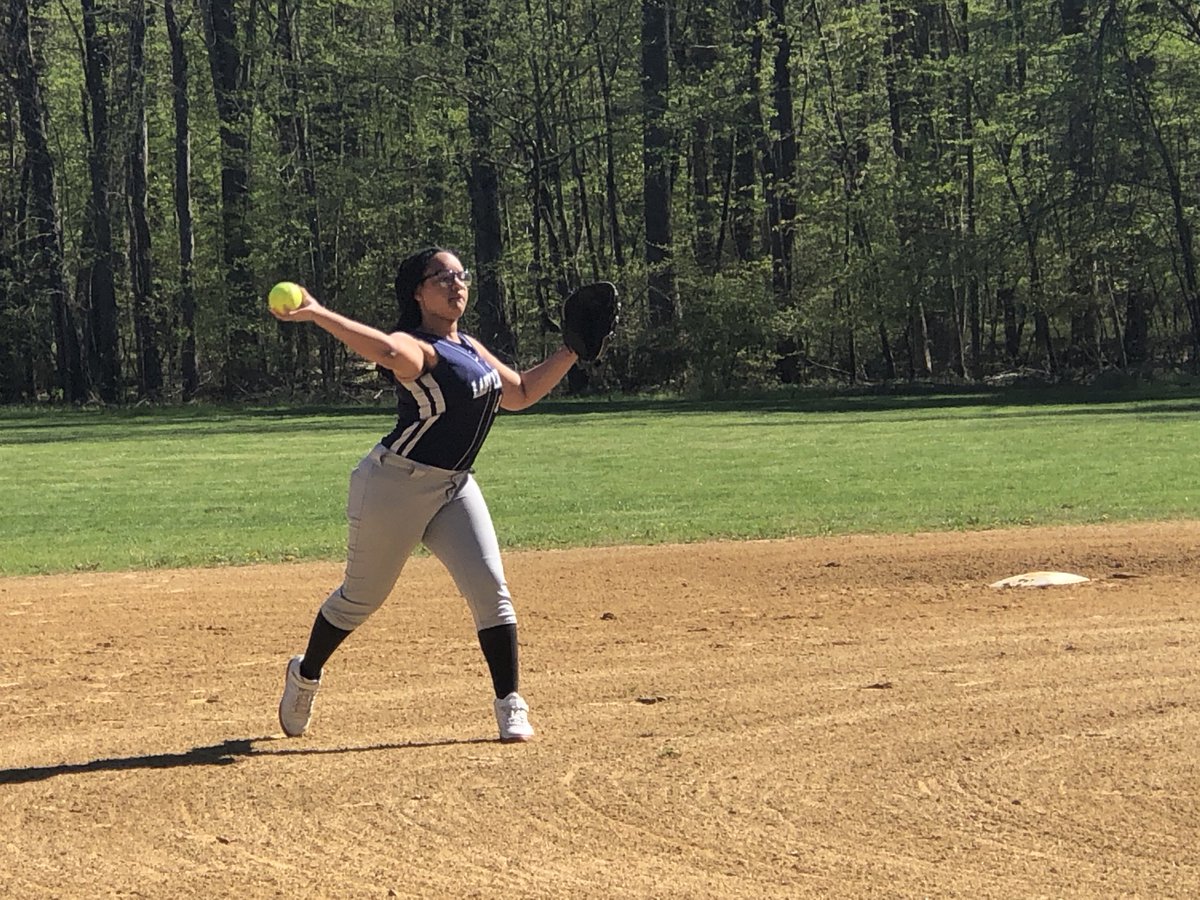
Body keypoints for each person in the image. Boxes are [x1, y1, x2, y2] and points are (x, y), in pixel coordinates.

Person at [269, 246, 581, 742]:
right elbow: (389, 354)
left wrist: (573, 351)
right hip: (395, 486)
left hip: (455, 487)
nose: (456, 284)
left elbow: (519, 393)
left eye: (461, 275)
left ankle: (509, 703)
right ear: (418, 291)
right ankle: (305, 673)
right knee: (359, 599)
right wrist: (317, 313)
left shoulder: (470, 347)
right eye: (441, 277)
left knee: (491, 591)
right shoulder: (417, 346)